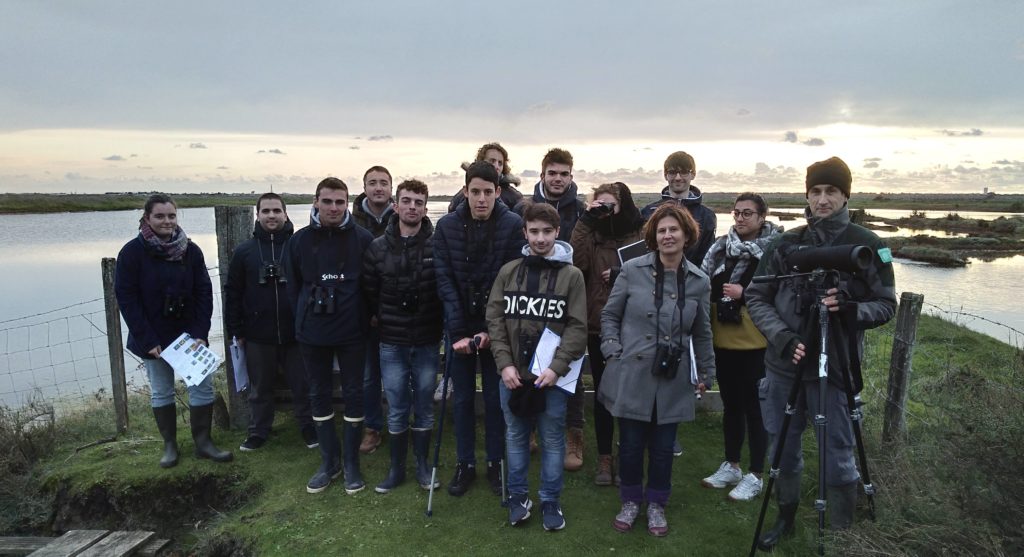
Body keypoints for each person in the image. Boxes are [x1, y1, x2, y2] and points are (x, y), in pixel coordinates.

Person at [746, 157, 896, 549]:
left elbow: (886, 304)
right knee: (783, 450)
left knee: (840, 455)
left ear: (846, 194)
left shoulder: (871, 245)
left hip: (839, 369)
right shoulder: (784, 244)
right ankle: (785, 518)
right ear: (807, 196)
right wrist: (782, 337)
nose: (823, 199)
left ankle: (840, 535)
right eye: (816, 191)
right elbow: (756, 296)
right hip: (783, 367)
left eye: (831, 191)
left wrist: (851, 312)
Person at [598, 203, 715, 537]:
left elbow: (703, 332)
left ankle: (657, 504)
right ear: (653, 235)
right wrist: (612, 351)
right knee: (631, 445)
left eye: (674, 229)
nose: (667, 235)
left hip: (673, 377)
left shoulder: (699, 281)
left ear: (686, 235)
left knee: (664, 448)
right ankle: (631, 500)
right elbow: (609, 316)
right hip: (631, 373)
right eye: (661, 230)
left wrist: (706, 372)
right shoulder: (631, 271)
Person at [487, 202, 587, 530]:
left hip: (551, 378)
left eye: (547, 232)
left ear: (558, 232)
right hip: (513, 374)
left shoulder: (572, 276)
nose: (541, 239)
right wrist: (504, 365)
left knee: (553, 439)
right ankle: (517, 497)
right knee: (516, 436)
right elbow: (496, 320)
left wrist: (557, 367)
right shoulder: (509, 272)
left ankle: (550, 500)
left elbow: (577, 327)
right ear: (525, 232)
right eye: (534, 231)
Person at [115, 193, 232, 468]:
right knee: (161, 391)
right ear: (147, 218)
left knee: (202, 388)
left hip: (189, 336)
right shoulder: (131, 253)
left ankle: (204, 443)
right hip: (152, 336)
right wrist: (147, 339)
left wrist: (201, 332)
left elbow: (204, 292)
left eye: (171, 216)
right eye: (160, 216)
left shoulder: (191, 251)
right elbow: (127, 299)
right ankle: (170, 446)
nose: (167, 221)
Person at [434, 161, 525, 496]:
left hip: (496, 328)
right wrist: (459, 334)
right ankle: (465, 463)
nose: (481, 198)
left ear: (498, 192)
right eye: (475, 192)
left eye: (488, 192)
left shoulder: (513, 225)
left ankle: (495, 463)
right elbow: (444, 281)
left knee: (494, 397)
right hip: (459, 325)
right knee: (461, 401)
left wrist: (490, 331)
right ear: (466, 191)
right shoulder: (446, 226)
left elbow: (510, 281)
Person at [283, 177, 374, 494]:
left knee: (354, 393)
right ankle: (329, 462)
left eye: (340, 202)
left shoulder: (362, 239)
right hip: (312, 333)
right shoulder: (299, 241)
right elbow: (293, 286)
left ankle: (351, 464)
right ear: (316, 202)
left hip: (352, 332)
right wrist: (305, 315)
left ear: (347, 203)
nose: (334, 208)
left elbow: (371, 286)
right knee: (318, 393)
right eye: (328, 201)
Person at [698, 193, 782, 501]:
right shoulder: (720, 249)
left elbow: (782, 293)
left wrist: (744, 294)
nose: (741, 218)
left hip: (757, 344)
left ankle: (756, 474)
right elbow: (705, 284)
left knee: (756, 410)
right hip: (724, 342)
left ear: (762, 217)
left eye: (748, 213)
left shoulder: (775, 252)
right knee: (732, 407)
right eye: (737, 213)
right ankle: (731, 465)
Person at [362, 179, 443, 493]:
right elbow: (370, 290)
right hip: (391, 340)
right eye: (406, 201)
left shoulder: (437, 246)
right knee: (396, 404)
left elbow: (442, 289)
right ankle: (396, 469)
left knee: (423, 403)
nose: (412, 207)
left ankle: (422, 465)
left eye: (418, 202)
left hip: (426, 339)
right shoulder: (377, 247)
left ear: (425, 208)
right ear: (396, 205)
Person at [514, 147, 587, 472]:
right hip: (531, 295)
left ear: (571, 176)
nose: (558, 179)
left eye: (564, 174)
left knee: (569, 369)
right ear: (542, 175)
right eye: (552, 173)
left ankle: (574, 435)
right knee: (530, 362)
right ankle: (529, 427)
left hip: (568, 292)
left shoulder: (582, 210)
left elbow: (586, 251)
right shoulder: (522, 208)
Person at [225, 193, 316, 452]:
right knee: (260, 387)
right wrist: (236, 330)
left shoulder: (299, 246)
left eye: (277, 210)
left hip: (296, 332)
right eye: (266, 211)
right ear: (258, 215)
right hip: (257, 333)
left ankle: (308, 427)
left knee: (302, 385)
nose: (272, 215)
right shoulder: (245, 252)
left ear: (286, 214)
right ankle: (258, 431)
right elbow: (233, 293)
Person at [569, 182, 644, 486]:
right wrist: (586, 221)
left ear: (622, 204)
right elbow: (575, 262)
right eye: (598, 204)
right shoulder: (593, 234)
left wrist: (620, 275)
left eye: (609, 205)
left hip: (635, 325)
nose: (604, 210)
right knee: (602, 392)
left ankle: (627, 452)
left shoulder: (639, 232)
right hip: (597, 324)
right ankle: (603, 457)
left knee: (631, 393)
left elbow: (652, 269)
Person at [352, 165, 395, 454]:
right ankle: (372, 427)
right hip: (363, 311)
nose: (378, 188)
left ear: (391, 188)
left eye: (383, 183)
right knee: (368, 375)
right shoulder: (351, 221)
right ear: (364, 187)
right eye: (373, 183)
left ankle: (401, 423)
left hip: (396, 313)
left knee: (399, 374)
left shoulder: (402, 216)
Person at [641, 151, 717, 267]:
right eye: (672, 172)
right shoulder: (648, 212)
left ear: (693, 174)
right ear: (665, 175)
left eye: (684, 172)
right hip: (652, 280)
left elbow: (707, 259)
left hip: (691, 281)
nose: (678, 178)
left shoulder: (707, 216)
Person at [447, 142, 524, 212]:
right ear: (481, 161)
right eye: (492, 161)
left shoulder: (514, 197)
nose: (497, 166)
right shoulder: (461, 196)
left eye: (500, 163)